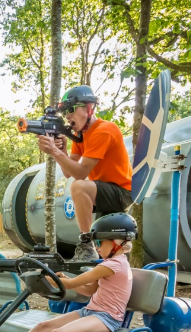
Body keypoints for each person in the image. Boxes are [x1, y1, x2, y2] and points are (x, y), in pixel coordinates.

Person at [0, 213, 136, 332]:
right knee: (42, 327)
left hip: (107, 318)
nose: (96, 247)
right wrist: (63, 279)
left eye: (100, 242)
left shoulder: (115, 265)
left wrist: (55, 280)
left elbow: (73, 285)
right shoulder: (109, 264)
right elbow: (88, 291)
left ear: (117, 243)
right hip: (91, 311)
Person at [37, 85, 133, 262]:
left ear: (89, 108)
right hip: (103, 193)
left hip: (121, 192)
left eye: (71, 110)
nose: (68, 116)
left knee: (79, 186)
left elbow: (80, 174)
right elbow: (68, 172)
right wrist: (63, 151)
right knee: (109, 253)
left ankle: (86, 244)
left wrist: (54, 151)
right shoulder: (81, 135)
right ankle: (94, 254)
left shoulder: (104, 130)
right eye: (66, 112)